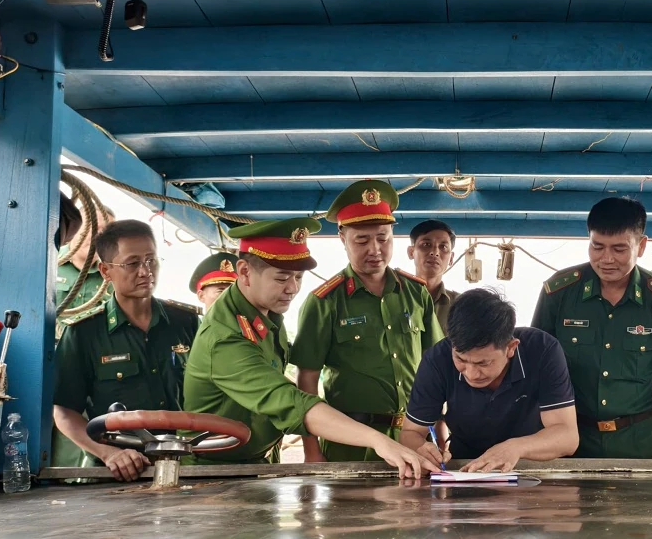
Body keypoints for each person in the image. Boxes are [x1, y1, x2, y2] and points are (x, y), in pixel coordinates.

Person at [183, 218, 436, 478]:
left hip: (255, 462)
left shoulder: (267, 316)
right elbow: (289, 401)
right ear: (245, 272)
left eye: (298, 277)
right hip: (211, 472)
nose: (292, 289)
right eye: (282, 278)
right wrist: (378, 440)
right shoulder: (224, 337)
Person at [290, 180, 443, 463]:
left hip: (414, 438)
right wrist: (311, 450)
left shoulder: (416, 293)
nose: (375, 249)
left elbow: (438, 365)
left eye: (383, 239)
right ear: (342, 238)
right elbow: (306, 381)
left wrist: (441, 433)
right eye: (362, 240)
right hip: (351, 444)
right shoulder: (324, 301)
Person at [531, 197, 652, 459]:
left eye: (619, 249)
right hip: (571, 439)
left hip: (640, 442)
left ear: (641, 246)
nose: (606, 259)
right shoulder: (559, 292)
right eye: (597, 247)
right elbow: (536, 363)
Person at [52, 220, 200, 481]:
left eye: (151, 260)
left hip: (184, 464)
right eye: (132, 263)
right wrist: (108, 453)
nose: (146, 271)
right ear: (106, 271)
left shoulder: (186, 322)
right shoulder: (83, 333)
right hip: (118, 472)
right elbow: (64, 411)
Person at [400, 288, 578, 472]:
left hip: (530, 466)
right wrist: (421, 448)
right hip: (464, 469)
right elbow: (411, 433)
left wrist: (515, 448)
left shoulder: (542, 350)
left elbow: (567, 437)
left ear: (511, 348)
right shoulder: (437, 359)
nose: (471, 374)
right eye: (461, 359)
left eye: (483, 363)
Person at [56, 197, 115, 321]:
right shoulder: (47, 261)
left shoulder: (112, 278)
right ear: (76, 228)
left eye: (106, 232)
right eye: (94, 227)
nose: (99, 236)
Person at [407, 219, 460, 333]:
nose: (435, 252)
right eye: (426, 245)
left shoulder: (461, 305)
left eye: (443, 247)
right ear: (411, 252)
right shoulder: (395, 299)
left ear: (451, 258)